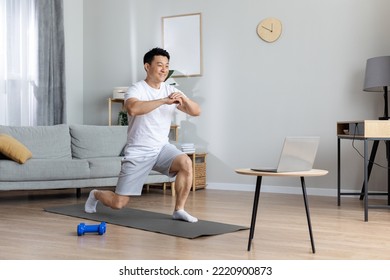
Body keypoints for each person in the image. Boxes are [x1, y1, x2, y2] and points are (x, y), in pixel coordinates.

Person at [85, 47, 201, 223]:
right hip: (138, 151)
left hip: (161, 148)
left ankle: (179, 210)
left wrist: (184, 100)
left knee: (185, 162)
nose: (164, 69)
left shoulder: (170, 89)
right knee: (118, 203)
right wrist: (163, 101)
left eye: (167, 66)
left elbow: (196, 111)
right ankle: (96, 194)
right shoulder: (136, 89)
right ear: (147, 66)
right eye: (159, 65)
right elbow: (133, 109)